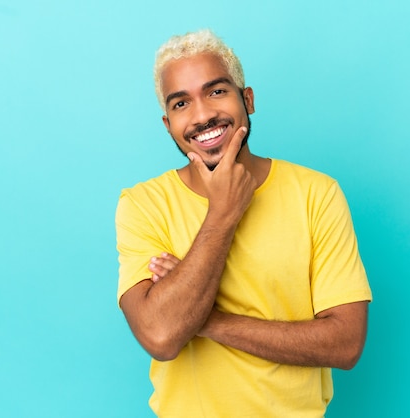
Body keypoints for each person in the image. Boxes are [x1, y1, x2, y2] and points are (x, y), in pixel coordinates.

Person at [115, 29, 372, 417]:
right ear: (168, 124)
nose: (202, 116)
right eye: (182, 103)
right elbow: (162, 336)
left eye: (216, 91)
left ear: (247, 99)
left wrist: (207, 321)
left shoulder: (317, 194)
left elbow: (346, 344)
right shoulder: (142, 204)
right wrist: (223, 213)